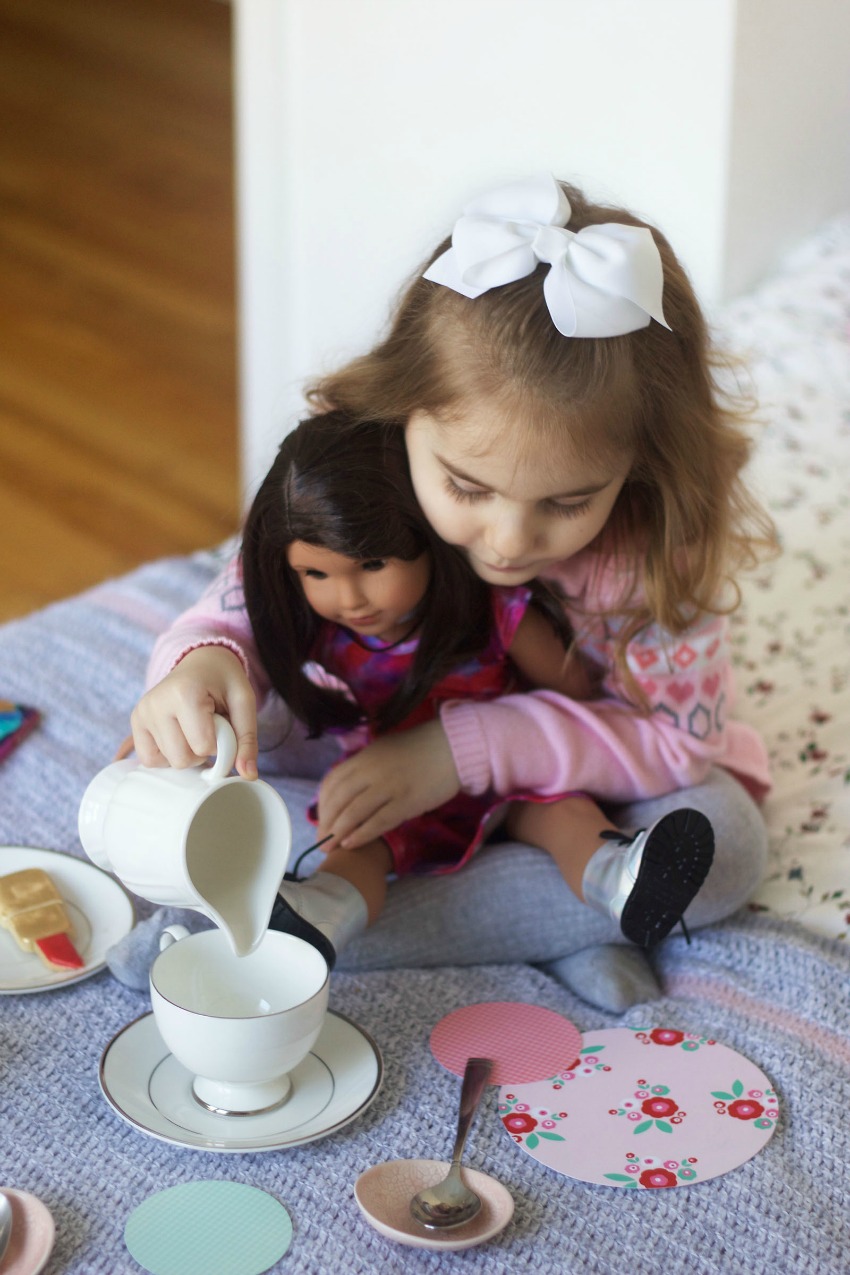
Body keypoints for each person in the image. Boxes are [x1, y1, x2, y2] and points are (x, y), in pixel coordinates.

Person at [120, 172, 774, 1011]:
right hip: (353, 766)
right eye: (468, 488)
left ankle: (282, 927)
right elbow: (247, 607)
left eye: (568, 502)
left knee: (727, 846)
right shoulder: (375, 474)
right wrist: (200, 664)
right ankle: (577, 920)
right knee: (194, 776)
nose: (508, 541)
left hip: (561, 783)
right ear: (399, 413)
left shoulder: (656, 554)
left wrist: (466, 752)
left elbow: (678, 746)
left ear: (639, 468)